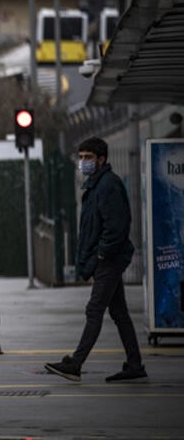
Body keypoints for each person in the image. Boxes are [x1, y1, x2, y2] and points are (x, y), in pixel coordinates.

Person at [45, 137, 147, 382]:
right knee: (119, 312)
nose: (83, 162)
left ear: (102, 159)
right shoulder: (95, 184)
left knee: (94, 309)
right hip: (106, 258)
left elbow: (117, 226)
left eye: (88, 158)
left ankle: (76, 363)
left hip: (109, 260)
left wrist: (101, 254)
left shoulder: (108, 185)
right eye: (80, 158)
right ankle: (134, 365)